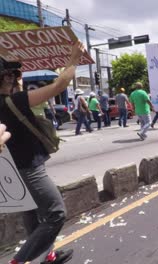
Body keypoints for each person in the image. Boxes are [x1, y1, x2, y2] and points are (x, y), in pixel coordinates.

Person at [0, 41, 85, 264]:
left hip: (12, 169)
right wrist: (75, 58)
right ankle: (18, 261)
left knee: (32, 216)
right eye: (11, 75)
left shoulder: (7, 101)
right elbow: (59, 85)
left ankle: (47, 256)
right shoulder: (14, 100)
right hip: (29, 167)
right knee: (56, 214)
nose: (15, 78)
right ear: (5, 78)